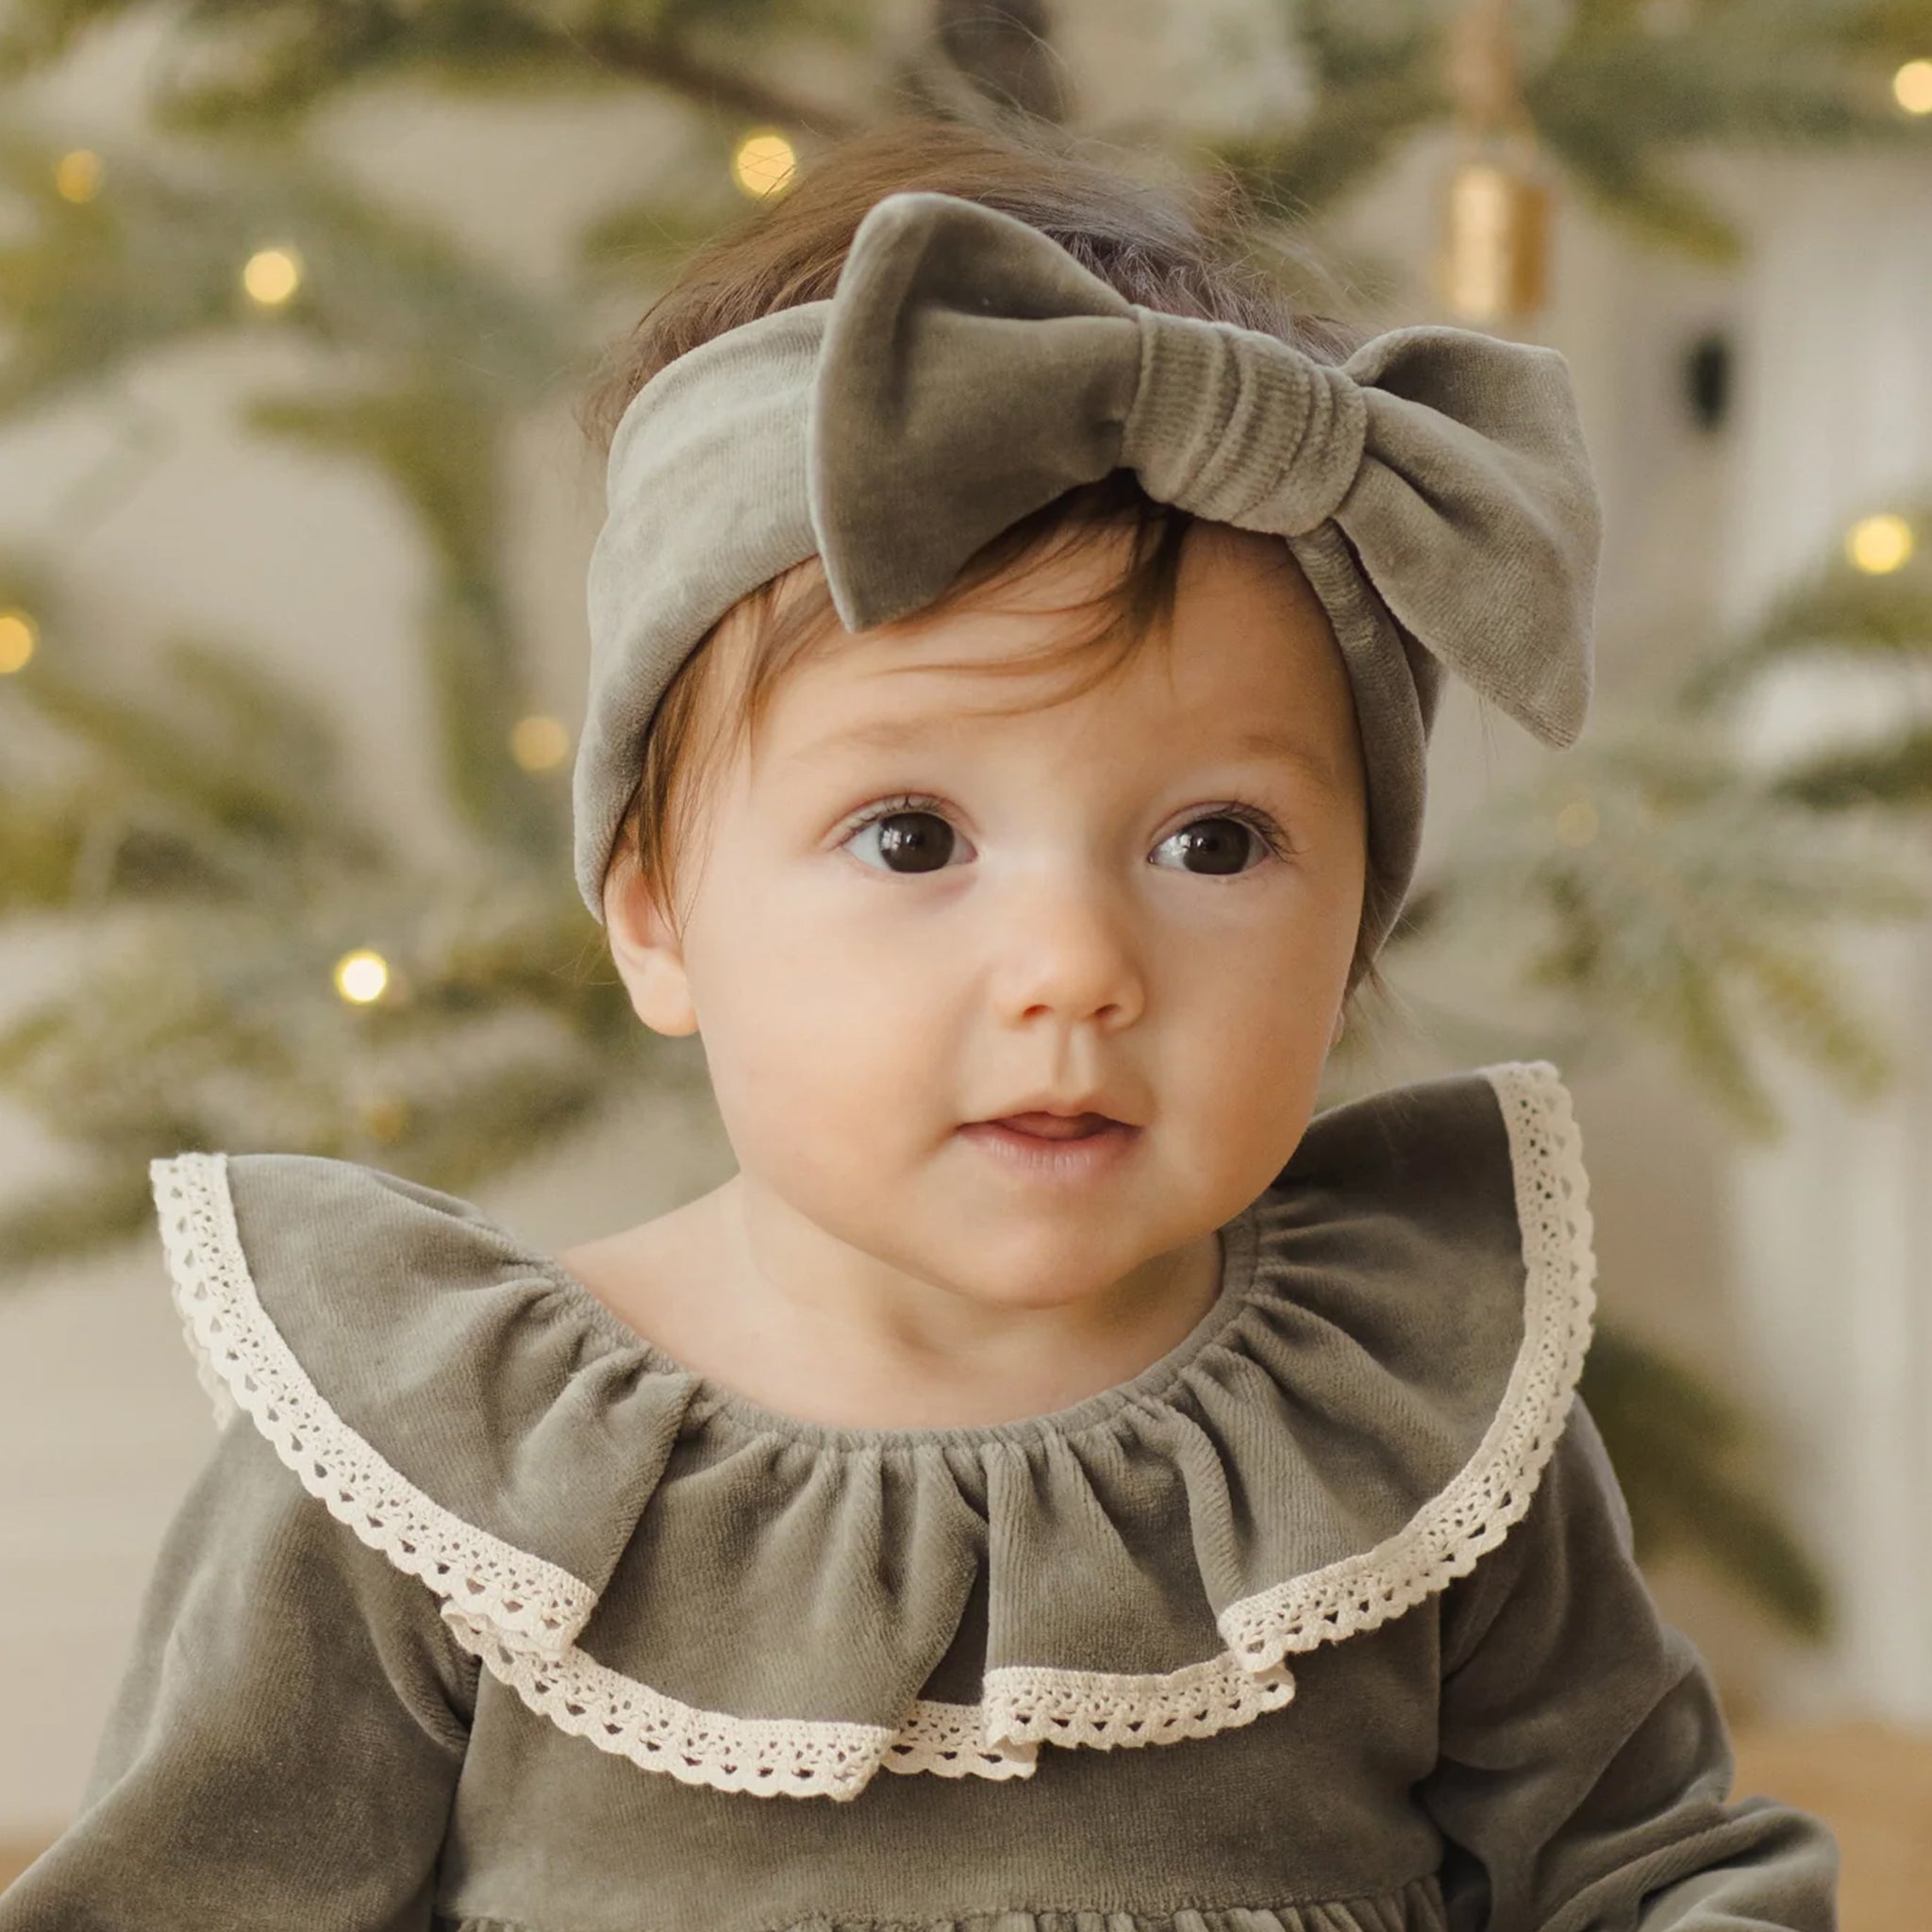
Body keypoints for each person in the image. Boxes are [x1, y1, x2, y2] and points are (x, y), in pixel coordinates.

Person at [0, 116, 1838, 1932]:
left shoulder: (1409, 1417)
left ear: (1360, 915)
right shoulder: (441, 1469)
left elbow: (1646, 1864)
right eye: (910, 835)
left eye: (1215, 840)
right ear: (654, 915)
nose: (1073, 964)